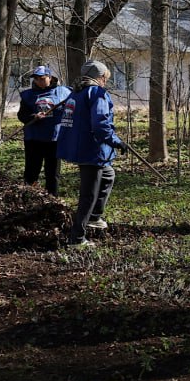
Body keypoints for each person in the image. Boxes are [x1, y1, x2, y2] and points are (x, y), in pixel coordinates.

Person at [58, 61, 126, 246]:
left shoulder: (75, 93)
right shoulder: (97, 93)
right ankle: (77, 238)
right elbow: (100, 125)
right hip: (92, 149)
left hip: (79, 146)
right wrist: (116, 141)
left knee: (108, 174)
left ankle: (95, 216)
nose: (105, 81)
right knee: (88, 194)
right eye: (106, 78)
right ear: (101, 77)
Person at [16, 65, 72, 195]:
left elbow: (72, 109)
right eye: (36, 79)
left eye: (42, 78)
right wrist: (33, 117)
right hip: (33, 139)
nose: (39, 81)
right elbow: (22, 115)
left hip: (54, 139)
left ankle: (52, 199)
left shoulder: (64, 92)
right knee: (31, 170)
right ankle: (29, 196)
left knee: (52, 173)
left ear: (50, 78)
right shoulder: (28, 96)